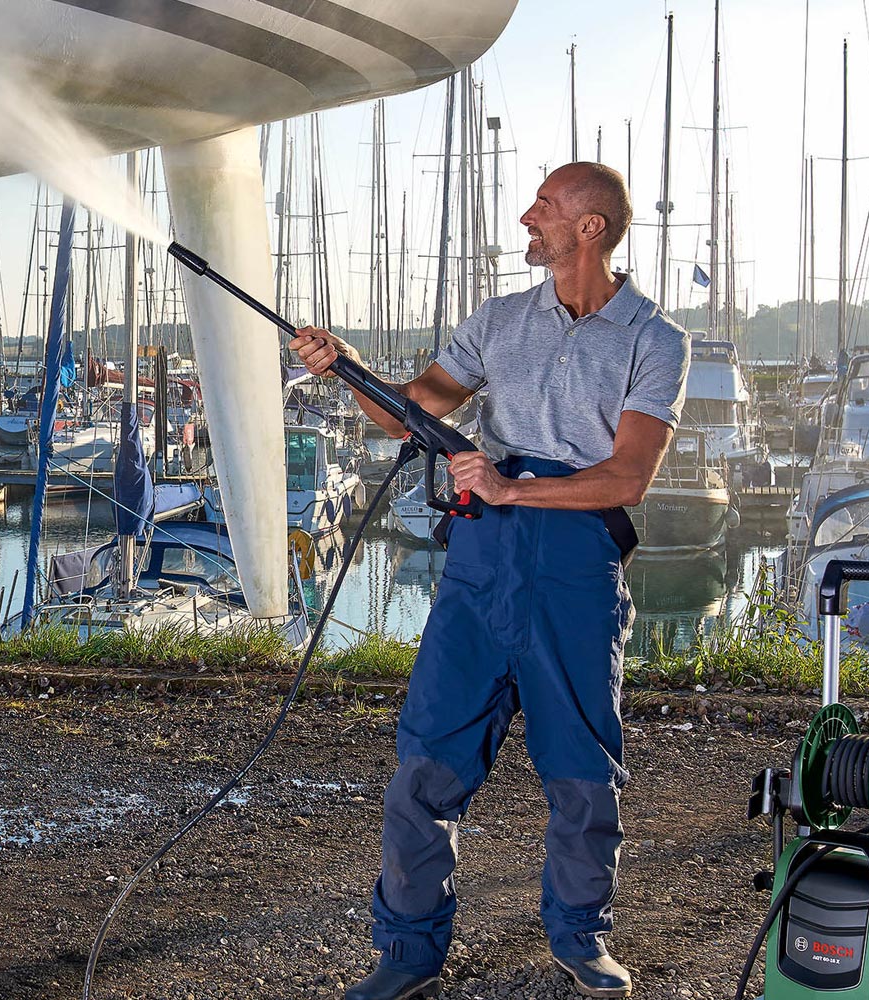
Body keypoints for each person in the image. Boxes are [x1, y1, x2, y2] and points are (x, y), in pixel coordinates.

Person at [291, 162, 690, 1000]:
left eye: (545, 207)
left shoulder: (655, 339)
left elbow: (627, 477)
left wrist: (514, 485)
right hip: (483, 556)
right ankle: (406, 953)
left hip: (576, 560)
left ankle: (582, 938)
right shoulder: (502, 320)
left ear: (590, 228)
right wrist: (347, 366)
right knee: (428, 760)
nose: (526, 218)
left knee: (582, 766)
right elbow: (417, 406)